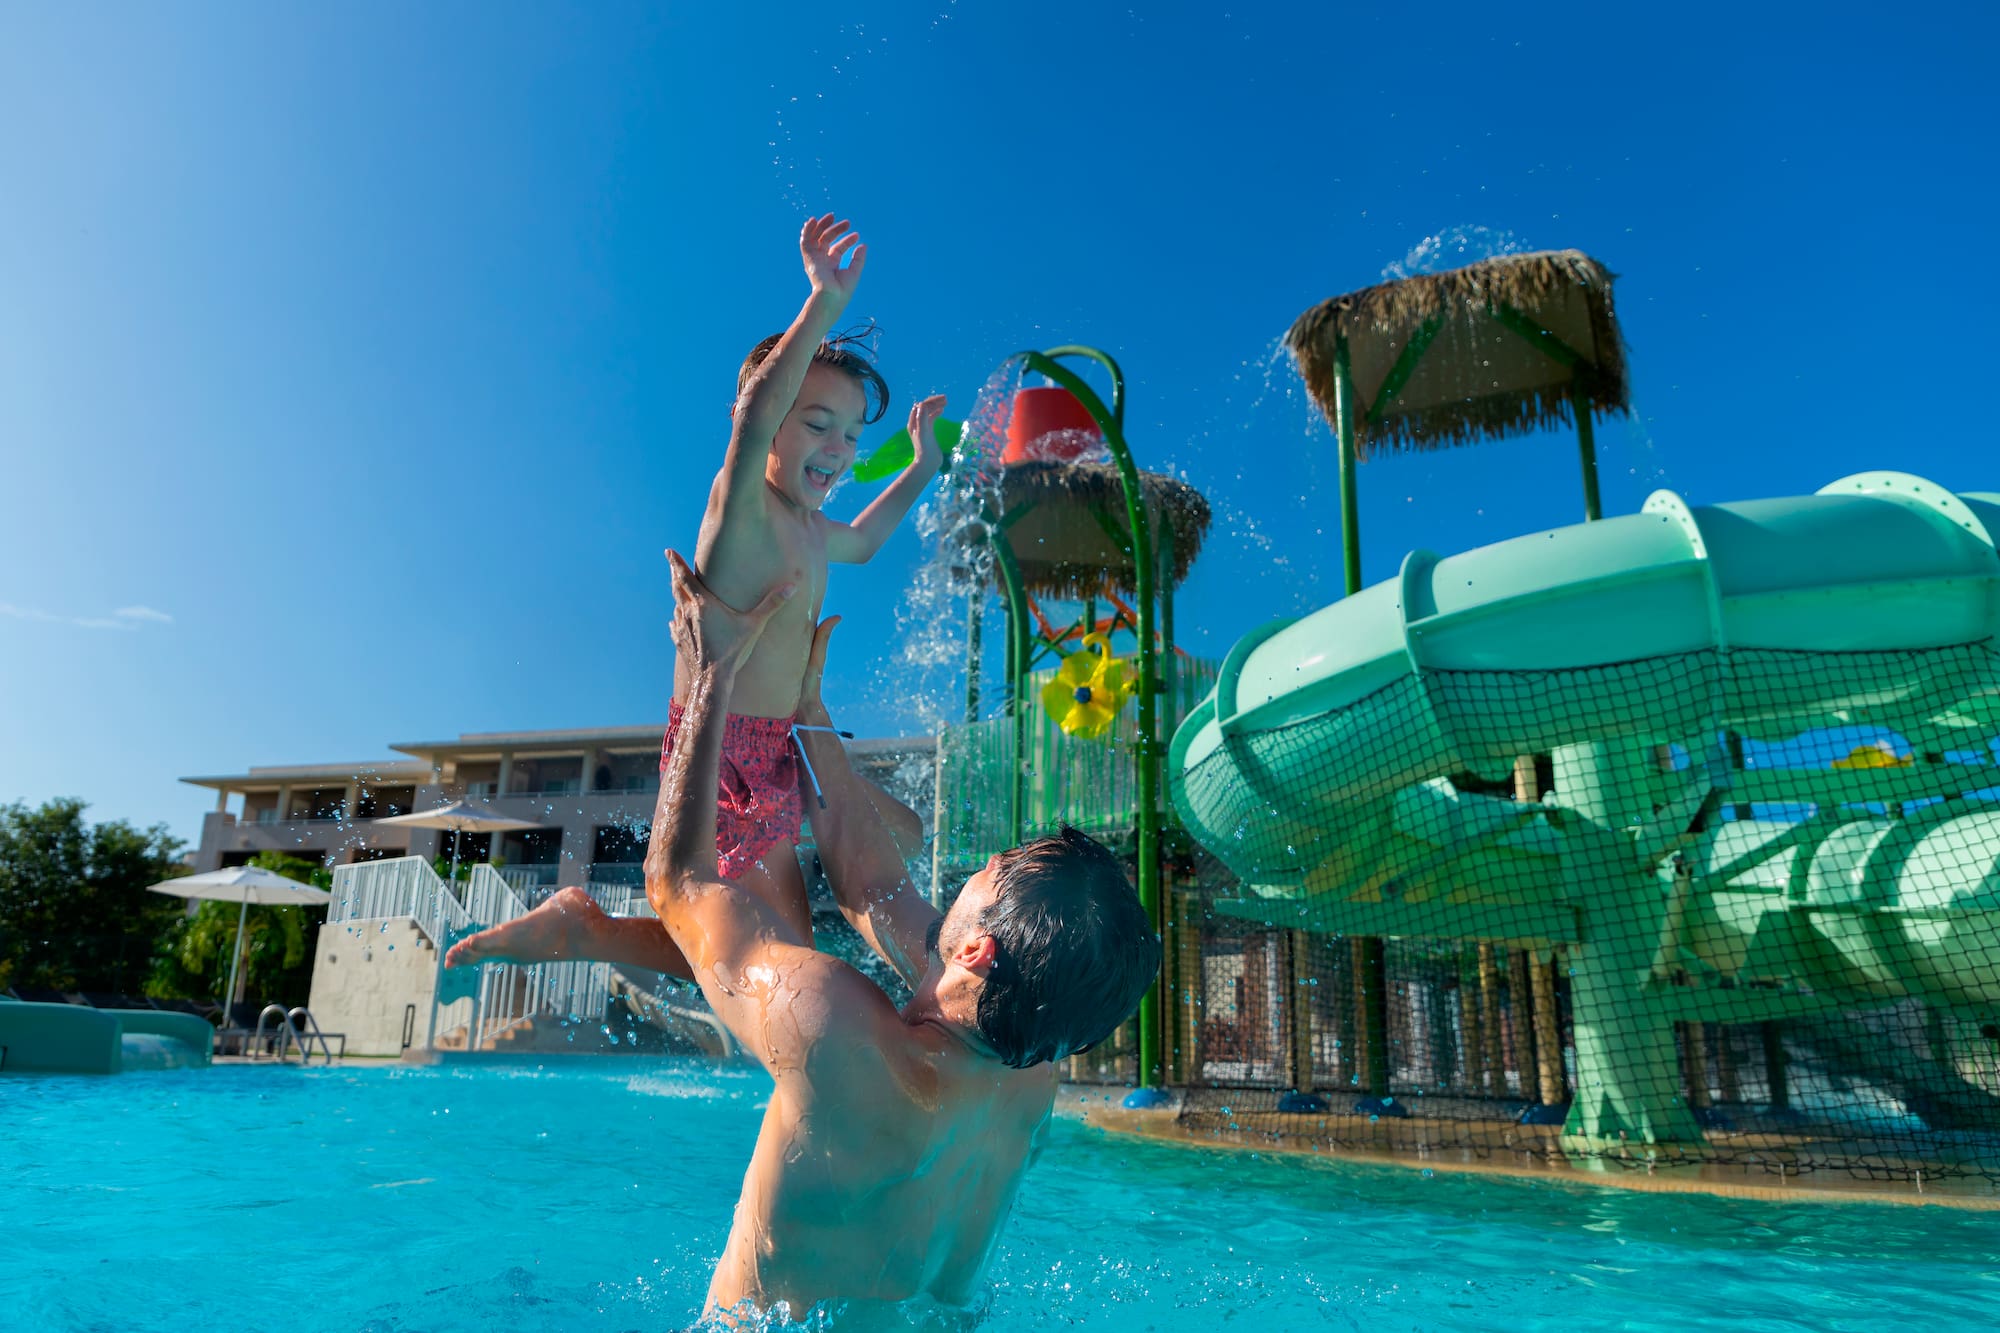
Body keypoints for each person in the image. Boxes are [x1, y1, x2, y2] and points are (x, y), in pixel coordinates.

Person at [452, 554, 1160, 1324]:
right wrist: (809, 709)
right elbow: (875, 888)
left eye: (999, 870)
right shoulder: (1032, 1070)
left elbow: (679, 886)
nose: (987, 862)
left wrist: (713, 683)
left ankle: (586, 931)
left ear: (978, 950)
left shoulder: (837, 1027)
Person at [449, 213, 942, 979]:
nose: (840, 448)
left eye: (850, 432)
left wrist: (918, 467)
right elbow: (752, 412)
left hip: (784, 745)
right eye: (817, 423)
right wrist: (822, 308)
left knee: (902, 833)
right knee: (777, 961)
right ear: (770, 427)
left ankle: (589, 929)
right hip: (723, 750)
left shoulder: (814, 529)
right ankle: (587, 931)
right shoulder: (741, 508)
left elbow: (869, 542)